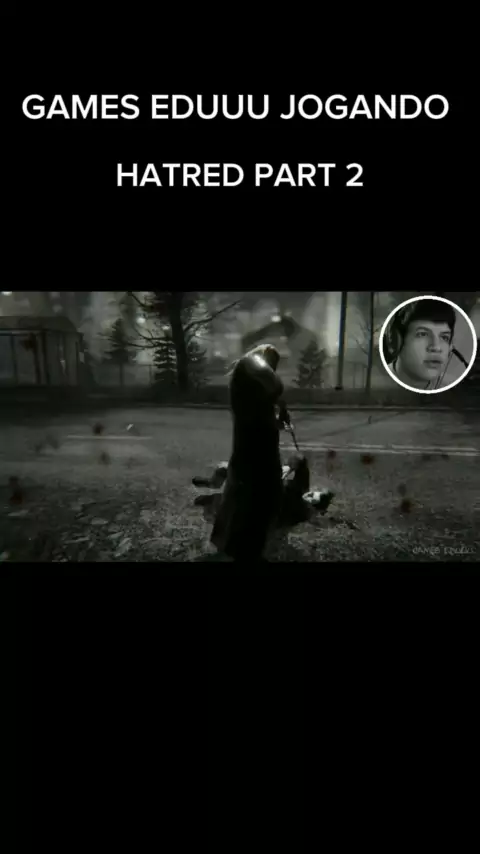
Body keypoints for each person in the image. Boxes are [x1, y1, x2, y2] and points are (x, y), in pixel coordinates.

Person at [210, 344, 291, 562]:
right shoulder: (249, 364)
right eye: (273, 364)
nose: (273, 369)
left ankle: (236, 547)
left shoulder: (255, 386)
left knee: (249, 498)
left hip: (257, 449)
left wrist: (279, 417)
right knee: (256, 499)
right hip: (253, 451)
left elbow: (268, 418)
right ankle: (244, 551)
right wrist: (277, 397)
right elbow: (275, 384)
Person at [384, 300, 457, 390]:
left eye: (444, 337)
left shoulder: (454, 387)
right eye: (422, 334)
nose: (436, 347)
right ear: (397, 342)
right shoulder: (376, 383)